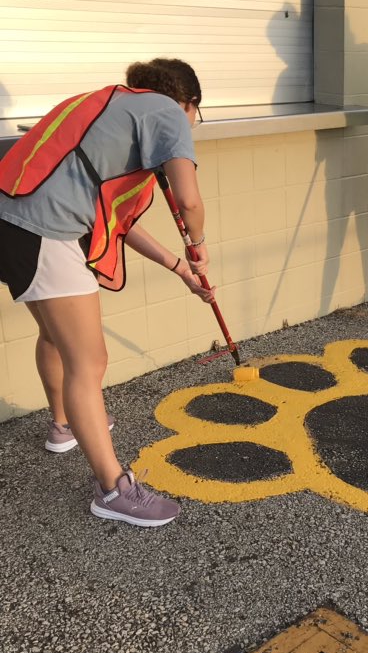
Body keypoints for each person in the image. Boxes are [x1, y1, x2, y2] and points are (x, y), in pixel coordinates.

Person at [0, 58, 214, 527]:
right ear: (189, 103)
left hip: (13, 220)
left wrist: (180, 268)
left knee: (57, 336)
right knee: (90, 361)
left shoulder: (109, 107)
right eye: (195, 114)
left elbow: (121, 224)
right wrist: (198, 248)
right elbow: (189, 200)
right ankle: (113, 489)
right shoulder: (168, 114)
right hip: (45, 230)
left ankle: (64, 425)